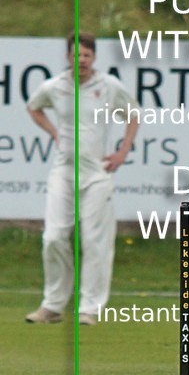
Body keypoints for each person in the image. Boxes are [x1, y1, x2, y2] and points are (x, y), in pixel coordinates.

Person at [25, 31, 140, 326]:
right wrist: (52, 132)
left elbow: (133, 113)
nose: (82, 60)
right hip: (63, 172)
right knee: (53, 237)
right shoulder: (55, 86)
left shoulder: (108, 85)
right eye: (76, 55)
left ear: (94, 57)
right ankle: (52, 305)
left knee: (94, 240)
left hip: (97, 174)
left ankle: (89, 307)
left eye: (87, 55)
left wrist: (122, 151)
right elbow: (33, 107)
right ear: (68, 57)